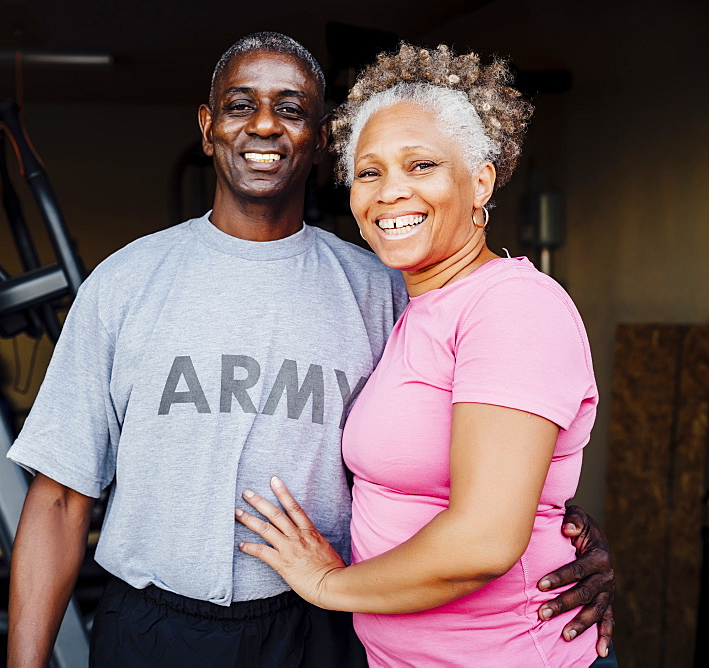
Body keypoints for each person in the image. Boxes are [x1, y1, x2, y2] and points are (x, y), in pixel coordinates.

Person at [6, 33, 614, 668]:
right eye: (240, 105)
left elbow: (489, 460)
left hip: (320, 622)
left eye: (292, 109)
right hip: (153, 624)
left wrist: (558, 533)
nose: (265, 124)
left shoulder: (386, 292)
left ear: (321, 138)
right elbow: (56, 499)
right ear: (208, 126)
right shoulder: (124, 283)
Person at [235, 42, 615, 667]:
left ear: (481, 181)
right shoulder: (414, 308)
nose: (390, 192)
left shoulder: (513, 306)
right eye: (369, 171)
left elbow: (486, 540)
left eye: (421, 165)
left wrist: (329, 587)